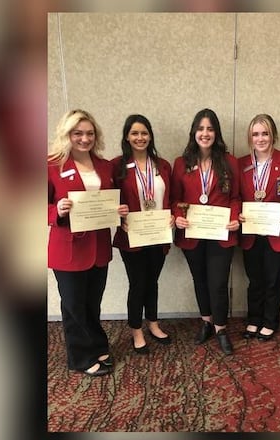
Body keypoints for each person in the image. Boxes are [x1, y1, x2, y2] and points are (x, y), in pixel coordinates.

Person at [47, 109, 128, 377]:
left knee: (93, 303)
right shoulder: (51, 165)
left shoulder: (104, 166)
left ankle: (97, 344)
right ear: (67, 134)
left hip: (98, 247)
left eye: (89, 133)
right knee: (73, 305)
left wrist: (117, 210)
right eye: (78, 133)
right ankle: (80, 357)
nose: (84, 138)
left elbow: (106, 202)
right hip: (68, 248)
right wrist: (56, 211)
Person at [171, 108, 241, 355]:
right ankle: (206, 321)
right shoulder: (181, 163)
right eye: (200, 128)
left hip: (221, 234)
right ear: (194, 132)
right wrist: (178, 217)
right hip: (192, 234)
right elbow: (174, 199)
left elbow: (236, 198)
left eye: (210, 128)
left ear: (216, 133)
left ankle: (221, 328)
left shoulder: (229, 162)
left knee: (219, 283)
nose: (205, 133)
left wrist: (234, 218)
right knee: (199, 280)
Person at [236, 114, 280, 341]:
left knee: (273, 281)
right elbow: (235, 197)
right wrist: (239, 214)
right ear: (250, 137)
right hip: (252, 233)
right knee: (254, 280)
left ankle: (270, 321)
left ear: (273, 134)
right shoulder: (241, 163)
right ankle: (253, 320)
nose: (260, 138)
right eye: (255, 134)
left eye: (265, 133)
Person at [111, 114, 174, 354]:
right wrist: (119, 219)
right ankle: (136, 330)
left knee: (153, 282)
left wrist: (172, 216)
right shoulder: (116, 166)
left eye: (144, 133)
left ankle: (154, 324)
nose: (140, 138)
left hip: (158, 234)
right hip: (133, 236)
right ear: (127, 136)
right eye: (135, 133)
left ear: (150, 136)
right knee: (138, 283)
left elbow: (173, 198)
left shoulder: (162, 165)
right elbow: (108, 202)